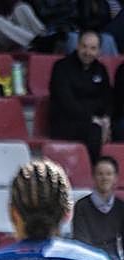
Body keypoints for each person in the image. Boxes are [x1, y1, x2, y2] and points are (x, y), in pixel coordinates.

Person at [49, 30, 113, 163]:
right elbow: (67, 102)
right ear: (77, 46)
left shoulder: (101, 70)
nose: (87, 52)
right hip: (65, 122)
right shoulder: (61, 67)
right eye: (84, 46)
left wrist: (106, 118)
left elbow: (106, 99)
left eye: (93, 48)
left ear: (99, 51)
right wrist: (92, 117)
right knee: (94, 130)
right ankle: (92, 172)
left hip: (94, 121)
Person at [72, 155, 124, 260]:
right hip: (90, 258)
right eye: (100, 174)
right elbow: (81, 242)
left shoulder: (121, 206)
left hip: (114, 259)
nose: (104, 178)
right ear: (93, 177)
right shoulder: (82, 206)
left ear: (115, 178)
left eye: (109, 174)